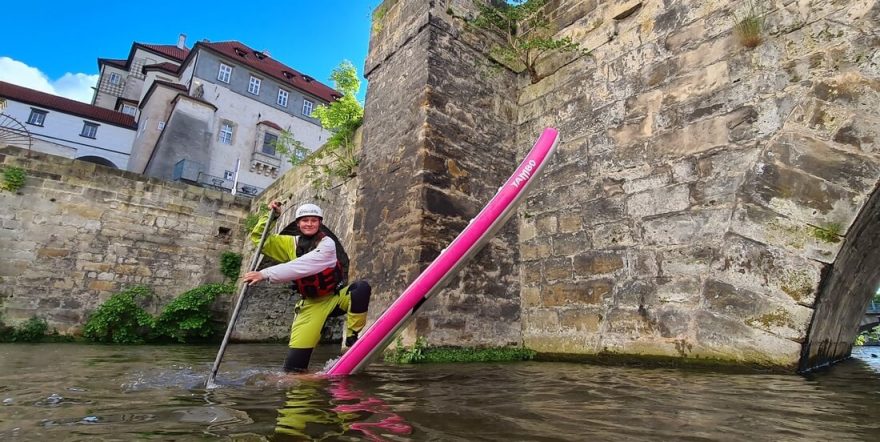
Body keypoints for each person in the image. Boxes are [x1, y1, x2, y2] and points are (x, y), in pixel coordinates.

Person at [242, 201, 371, 373]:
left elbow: (304, 265)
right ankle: (305, 379)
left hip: (335, 299)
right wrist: (271, 216)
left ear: (320, 223)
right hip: (310, 305)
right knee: (294, 369)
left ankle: (351, 339)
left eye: (313, 220)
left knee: (361, 288)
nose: (309, 224)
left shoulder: (328, 244)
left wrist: (265, 274)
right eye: (305, 220)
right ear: (298, 224)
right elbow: (260, 240)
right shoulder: (290, 243)